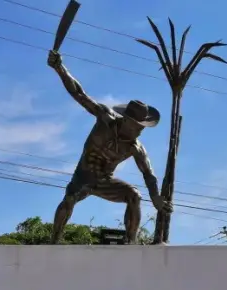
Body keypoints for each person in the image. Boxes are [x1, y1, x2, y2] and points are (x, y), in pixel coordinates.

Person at [46, 49, 172, 244]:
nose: (140, 131)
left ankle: (131, 243)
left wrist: (155, 197)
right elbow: (80, 94)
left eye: (143, 128)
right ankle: (54, 240)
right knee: (70, 199)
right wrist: (59, 68)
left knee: (134, 196)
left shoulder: (134, 147)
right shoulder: (105, 120)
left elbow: (148, 173)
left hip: (105, 182)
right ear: (126, 121)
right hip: (83, 177)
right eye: (137, 127)